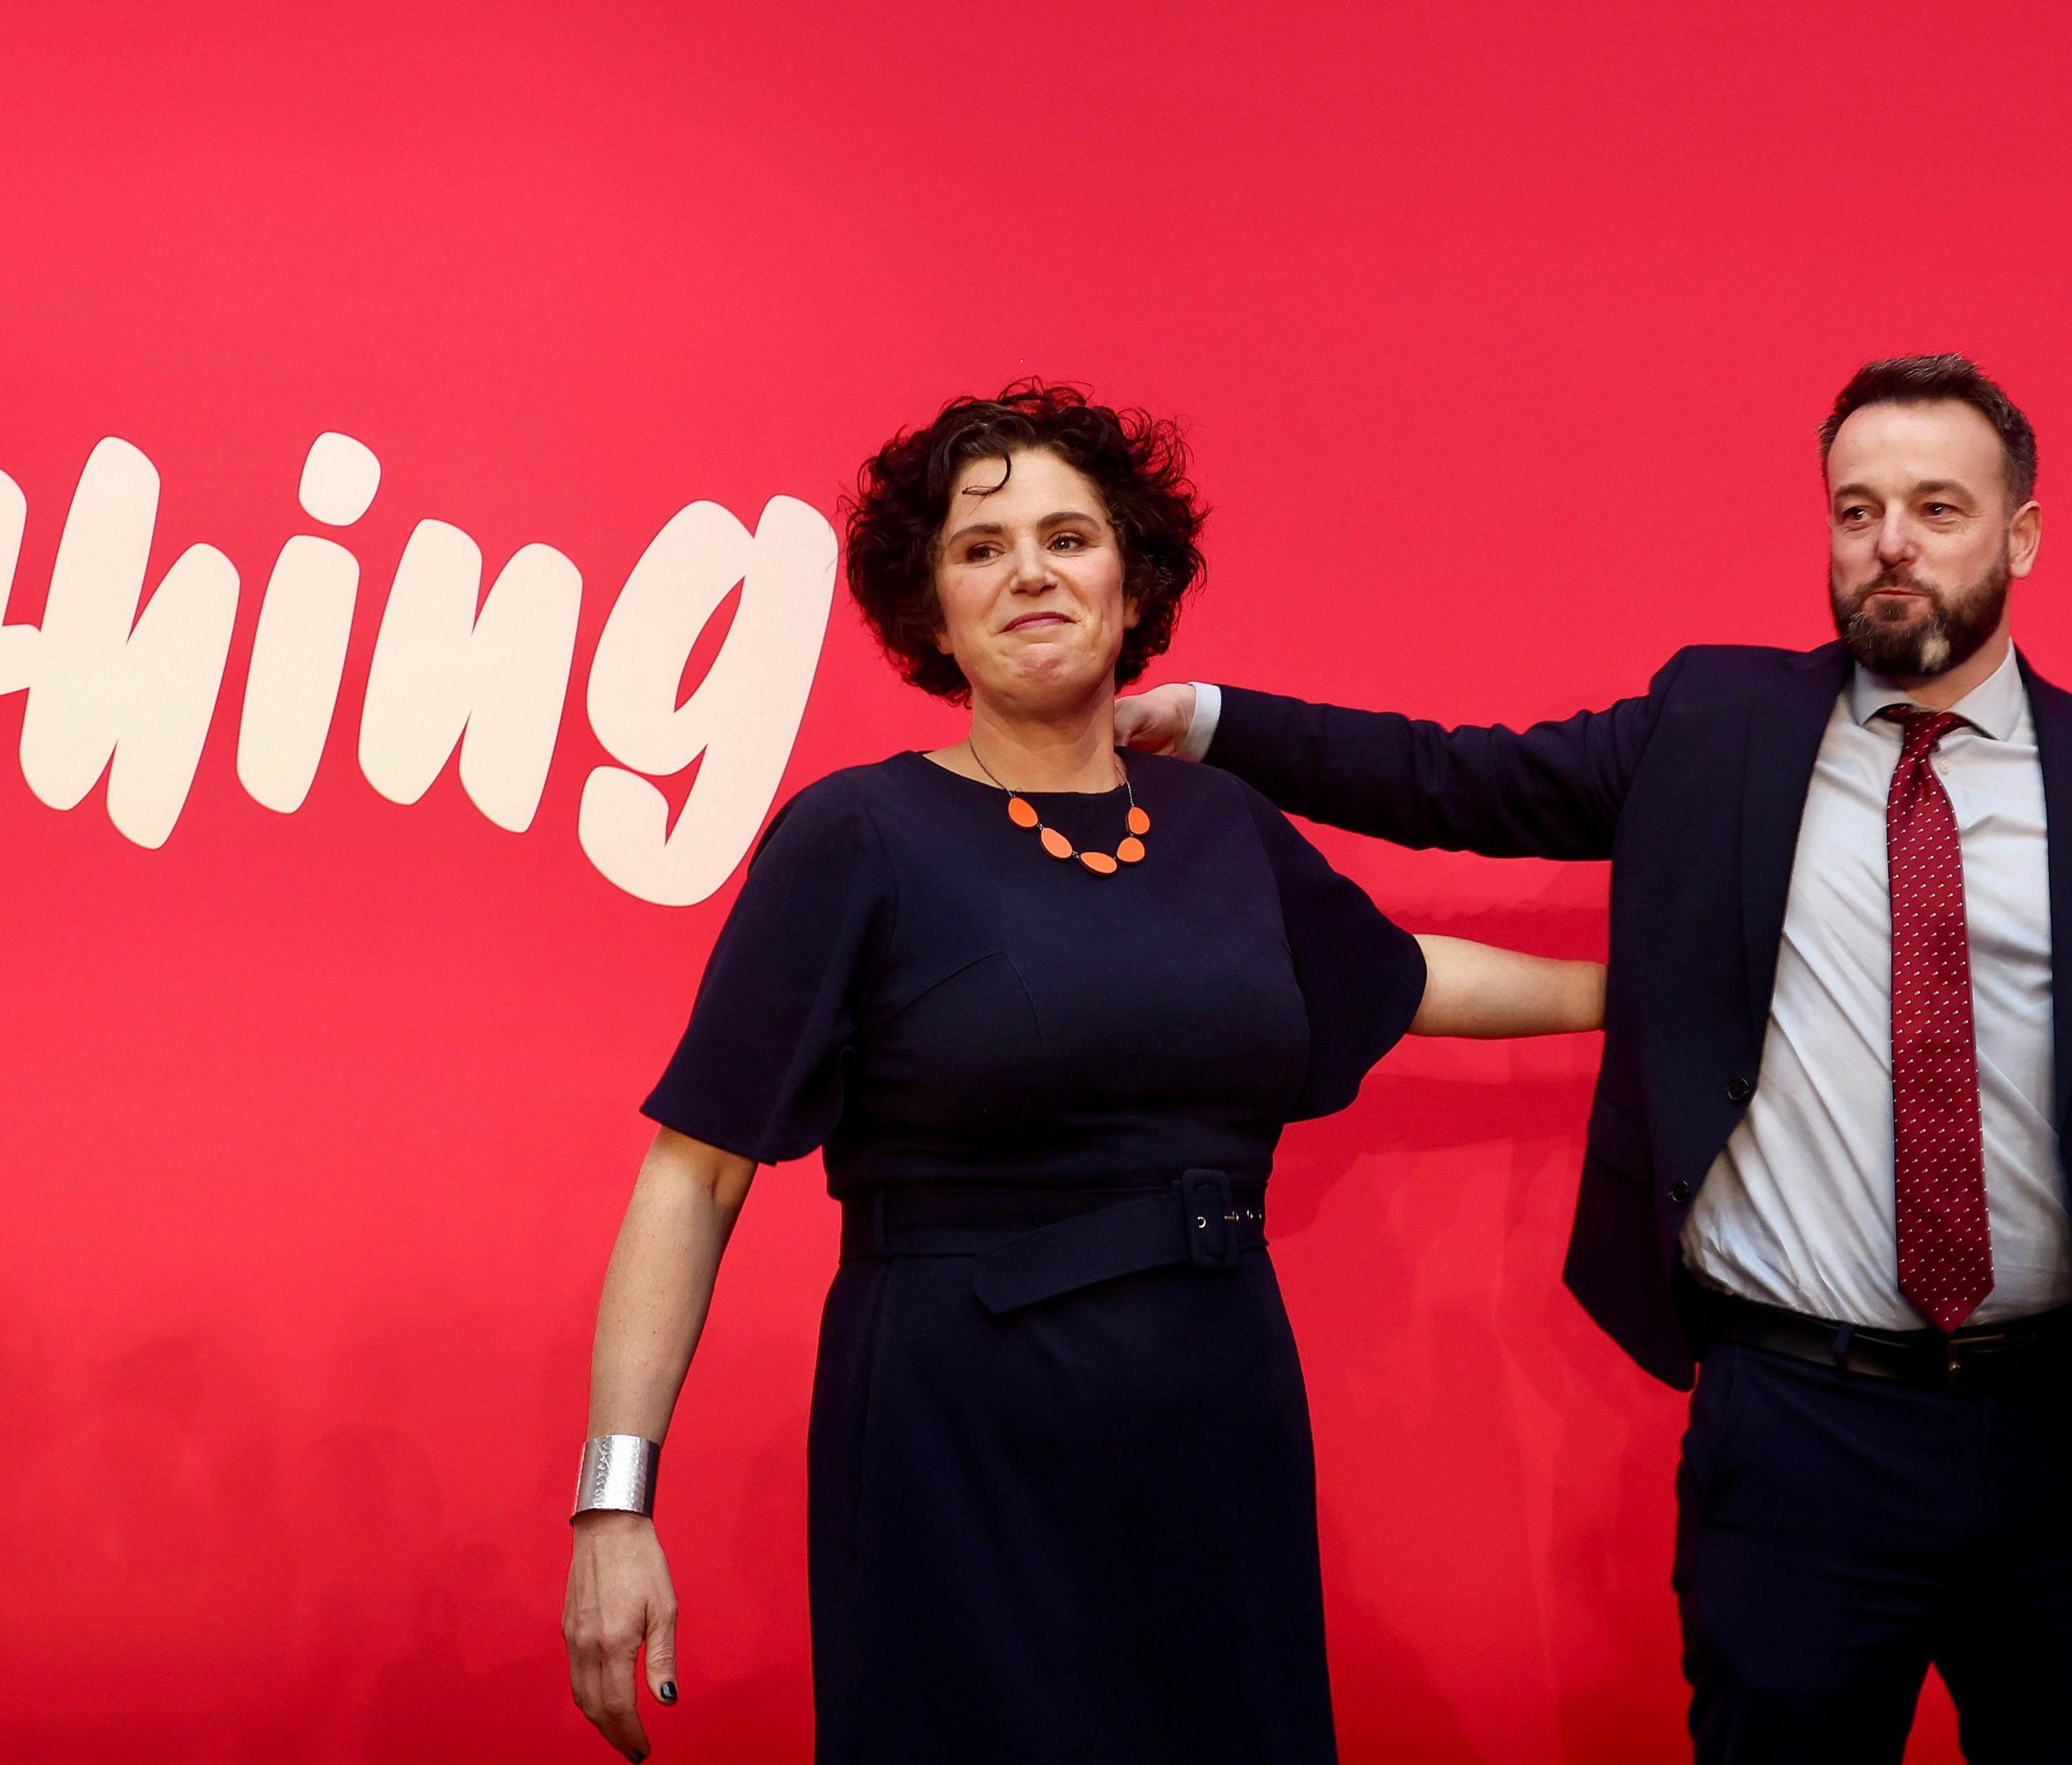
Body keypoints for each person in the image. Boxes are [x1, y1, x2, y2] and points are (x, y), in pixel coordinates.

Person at [1117, 354, 2072, 1763]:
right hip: (1802, 1440)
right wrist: (1209, 722)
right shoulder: (1715, 727)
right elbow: (1456, 777)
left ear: (2021, 535)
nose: (1891, 543)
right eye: (1857, 508)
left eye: (1938, 508)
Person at [559, 383, 1604, 1764]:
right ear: (931, 613)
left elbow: (1408, 979)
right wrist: (612, 1508)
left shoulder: (1225, 822)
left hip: (1216, 1412)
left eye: (1069, 537)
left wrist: (1671, 999)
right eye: (980, 548)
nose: (1031, 571)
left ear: (1132, 586)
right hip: (957, 1435)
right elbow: (692, 1175)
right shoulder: (856, 836)